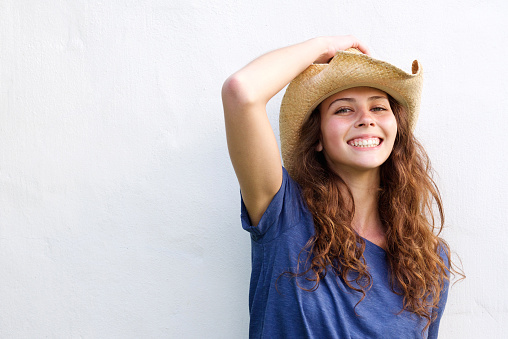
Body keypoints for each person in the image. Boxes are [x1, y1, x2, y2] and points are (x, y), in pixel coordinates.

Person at [222, 35, 460, 338]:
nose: (366, 120)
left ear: (396, 131)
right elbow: (241, 92)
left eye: (378, 108)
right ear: (318, 137)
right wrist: (324, 47)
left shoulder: (427, 257)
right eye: (343, 109)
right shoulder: (284, 214)